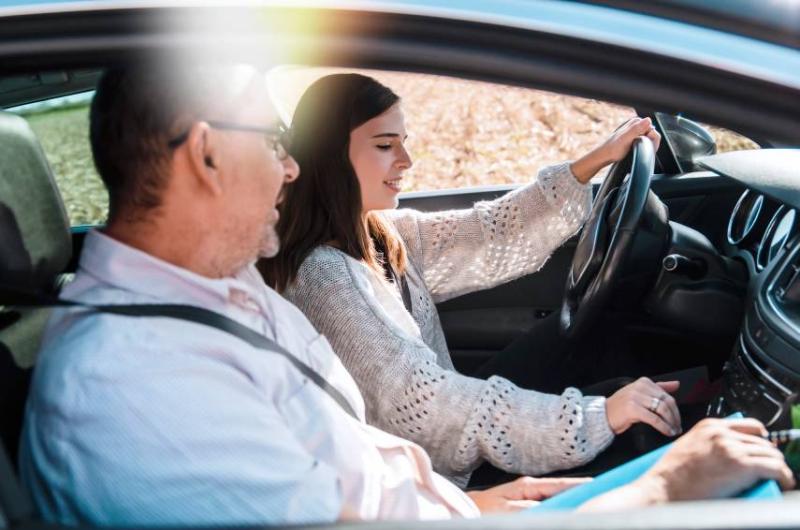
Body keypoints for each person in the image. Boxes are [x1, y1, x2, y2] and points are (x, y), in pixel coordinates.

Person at [19, 65, 794, 528]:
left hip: (452, 509)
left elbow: (355, 459)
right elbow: (417, 408)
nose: (287, 170)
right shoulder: (134, 383)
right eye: (272, 141)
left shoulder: (220, 298)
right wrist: (656, 484)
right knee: (727, 477)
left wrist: (474, 507)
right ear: (208, 152)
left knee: (724, 459)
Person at [260, 73, 676, 484]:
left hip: (449, 421)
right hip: (429, 474)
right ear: (330, 154)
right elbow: (427, 405)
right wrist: (594, 417)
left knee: (597, 341)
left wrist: (597, 159)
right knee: (633, 427)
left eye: (405, 142)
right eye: (386, 145)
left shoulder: (380, 231)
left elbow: (491, 231)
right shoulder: (323, 278)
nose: (406, 161)